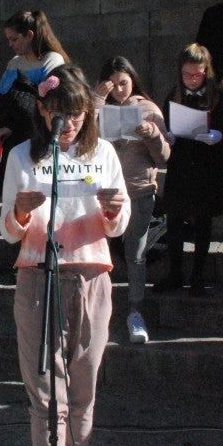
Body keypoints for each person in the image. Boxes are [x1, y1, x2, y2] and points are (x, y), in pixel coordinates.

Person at [0, 66, 129, 446]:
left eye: (76, 114)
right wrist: (19, 212)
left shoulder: (104, 153)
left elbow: (119, 225)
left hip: (91, 273)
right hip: (38, 274)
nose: (68, 123)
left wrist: (112, 210)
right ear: (42, 109)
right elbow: (7, 229)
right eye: (58, 113)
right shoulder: (22, 155)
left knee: (85, 375)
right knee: (44, 384)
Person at [94, 56, 170, 343]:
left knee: (135, 253)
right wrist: (98, 98)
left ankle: (135, 311)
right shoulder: (101, 106)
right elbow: (80, 134)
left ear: (133, 80)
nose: (119, 91)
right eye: (113, 85)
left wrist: (152, 135)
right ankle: (101, 308)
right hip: (105, 192)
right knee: (101, 254)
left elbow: (163, 156)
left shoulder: (148, 109)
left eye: (124, 83)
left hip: (138, 190)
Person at [156, 43, 223, 296]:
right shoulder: (173, 95)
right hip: (180, 166)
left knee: (202, 222)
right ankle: (176, 273)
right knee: (175, 221)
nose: (192, 79)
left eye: (197, 74)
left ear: (206, 71)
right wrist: (168, 135)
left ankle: (198, 276)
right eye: (187, 74)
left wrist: (218, 134)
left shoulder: (217, 95)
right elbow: (167, 123)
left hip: (206, 167)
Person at [0, 10, 69, 195]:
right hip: (13, 137)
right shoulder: (14, 63)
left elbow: (45, 103)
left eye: (14, 39)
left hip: (37, 136)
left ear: (30, 35)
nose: (10, 44)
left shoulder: (52, 60)